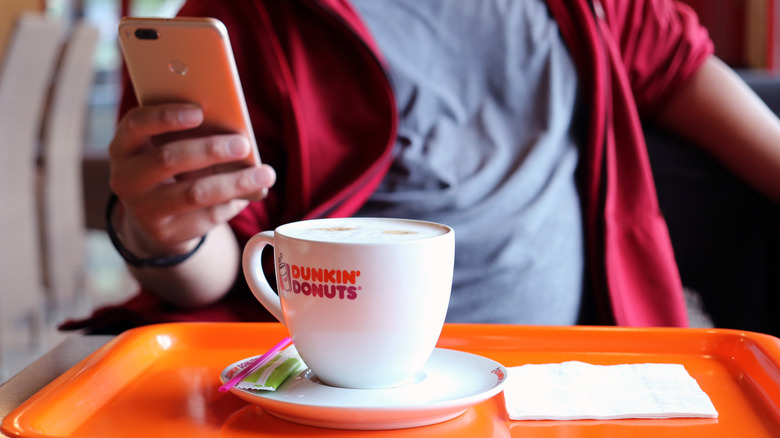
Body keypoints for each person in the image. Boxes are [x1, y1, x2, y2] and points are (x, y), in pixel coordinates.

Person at [62, 0, 780, 333]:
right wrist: (164, 235)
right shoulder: (249, 20)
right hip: (343, 394)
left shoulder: (593, 8)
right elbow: (216, 268)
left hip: (574, 385)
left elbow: (687, 73)